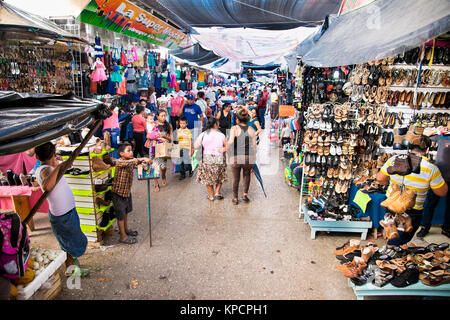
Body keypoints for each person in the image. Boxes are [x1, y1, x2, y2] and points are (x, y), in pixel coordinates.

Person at [377, 134, 448, 246]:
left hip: (392, 203)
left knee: (393, 231)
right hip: (412, 208)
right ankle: (392, 256)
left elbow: (380, 179)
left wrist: (390, 183)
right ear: (428, 149)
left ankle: (391, 250)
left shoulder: (394, 160)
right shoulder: (431, 168)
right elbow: (442, 192)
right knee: (401, 239)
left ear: (409, 147)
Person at [34, 142, 89, 276]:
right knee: (71, 242)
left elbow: (65, 167)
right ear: (53, 153)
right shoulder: (46, 170)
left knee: (69, 243)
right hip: (63, 216)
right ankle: (71, 269)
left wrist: (59, 163)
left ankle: (71, 266)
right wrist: (58, 165)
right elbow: (47, 186)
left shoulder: (49, 167)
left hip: (65, 213)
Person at [110, 142, 151, 244]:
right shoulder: (120, 162)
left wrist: (143, 166)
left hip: (126, 192)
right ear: (121, 154)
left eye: (131, 150)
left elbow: (134, 164)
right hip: (118, 194)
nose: (131, 152)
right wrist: (142, 159)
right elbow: (132, 162)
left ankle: (126, 230)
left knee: (126, 212)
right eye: (128, 150)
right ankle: (123, 236)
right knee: (120, 215)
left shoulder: (129, 161)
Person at [417, 127, 450, 238]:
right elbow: (424, 136)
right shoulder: (442, 137)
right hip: (438, 177)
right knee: (430, 204)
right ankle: (425, 227)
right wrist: (437, 130)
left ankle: (446, 228)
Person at [227, 108, 257, 205]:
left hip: (236, 157)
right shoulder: (251, 129)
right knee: (247, 175)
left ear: (237, 120)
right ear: (247, 119)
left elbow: (231, 141)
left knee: (235, 178)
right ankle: (245, 195)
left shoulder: (234, 128)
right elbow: (254, 146)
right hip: (248, 157)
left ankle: (235, 198)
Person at [194, 118, 227, 201]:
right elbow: (227, 147)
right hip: (218, 157)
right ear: (215, 125)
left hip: (206, 158)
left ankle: (211, 196)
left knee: (207, 178)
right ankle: (217, 192)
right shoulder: (221, 135)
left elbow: (195, 146)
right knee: (220, 176)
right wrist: (221, 150)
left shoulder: (203, 134)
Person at [148, 109, 173, 192]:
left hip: (163, 148)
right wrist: (157, 138)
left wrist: (164, 137)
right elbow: (148, 136)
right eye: (161, 116)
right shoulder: (153, 124)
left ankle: (163, 175)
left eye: (164, 116)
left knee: (163, 167)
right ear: (157, 116)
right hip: (154, 147)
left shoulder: (168, 125)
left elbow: (171, 138)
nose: (163, 117)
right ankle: (156, 184)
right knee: (154, 166)